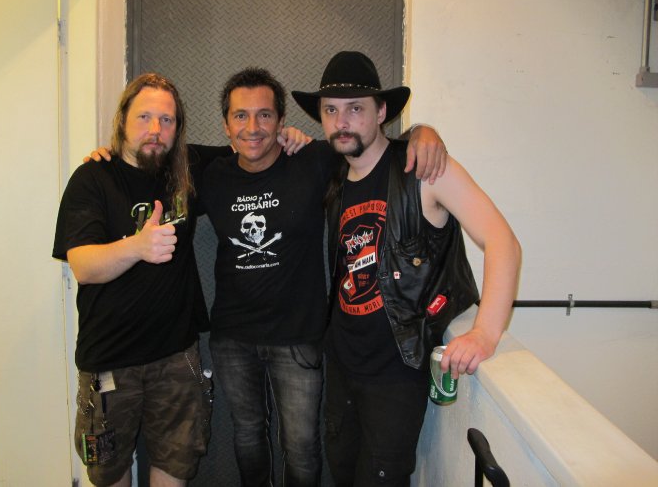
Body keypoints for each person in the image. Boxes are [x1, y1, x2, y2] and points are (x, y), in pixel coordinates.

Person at [84, 69, 447, 487]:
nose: (252, 127)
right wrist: (109, 157)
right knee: (247, 437)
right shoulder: (209, 173)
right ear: (225, 125)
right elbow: (150, 160)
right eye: (240, 116)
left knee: (302, 446)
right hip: (233, 337)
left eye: (264, 115)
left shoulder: (313, 160)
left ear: (281, 121)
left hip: (299, 337)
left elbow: (374, 147)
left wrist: (423, 132)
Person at [291, 51, 522, 487]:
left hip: (396, 373)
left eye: (355, 108)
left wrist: (486, 332)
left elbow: (503, 242)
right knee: (342, 475)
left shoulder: (423, 170)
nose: (342, 122)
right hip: (342, 365)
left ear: (381, 112)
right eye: (331, 110)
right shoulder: (335, 177)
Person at [53, 73, 226, 487]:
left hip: (177, 357)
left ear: (177, 128)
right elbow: (83, 265)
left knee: (177, 465)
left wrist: (290, 136)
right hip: (109, 364)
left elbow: (250, 144)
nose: (155, 129)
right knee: (108, 472)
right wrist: (137, 246)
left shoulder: (186, 169)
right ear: (122, 120)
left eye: (166, 120)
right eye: (144, 117)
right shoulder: (92, 179)